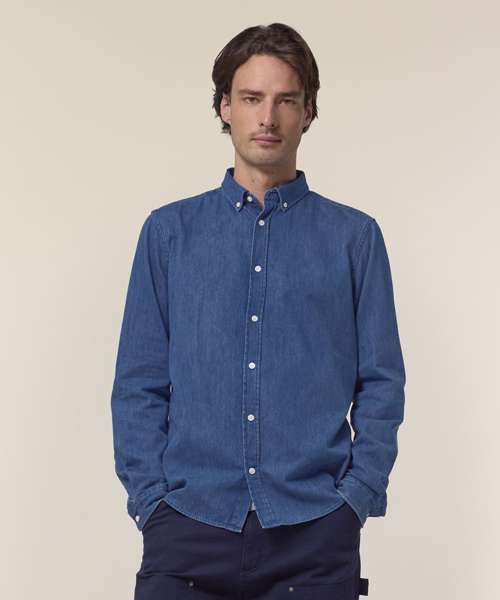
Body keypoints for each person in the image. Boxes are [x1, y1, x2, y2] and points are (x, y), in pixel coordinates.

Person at [110, 22, 406, 600]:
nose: (267, 117)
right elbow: (138, 381)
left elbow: (381, 382)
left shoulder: (354, 239)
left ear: (308, 111)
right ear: (225, 106)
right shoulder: (169, 234)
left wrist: (355, 498)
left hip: (314, 534)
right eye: (251, 98)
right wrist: (151, 501)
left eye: (285, 100)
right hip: (187, 528)